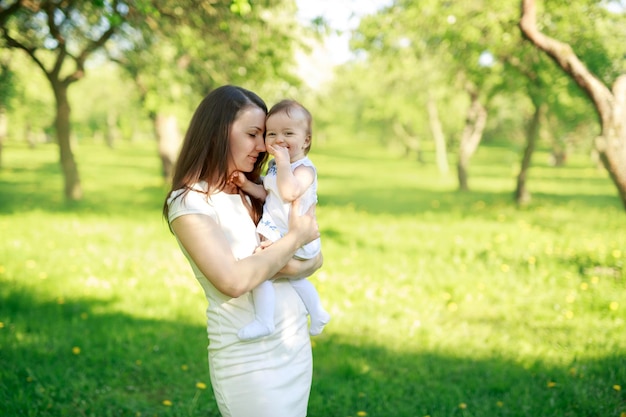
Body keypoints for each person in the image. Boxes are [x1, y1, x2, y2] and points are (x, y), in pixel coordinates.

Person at [163, 85, 323, 417]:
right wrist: (293, 240)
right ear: (219, 132)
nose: (266, 146)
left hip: (292, 344)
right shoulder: (190, 201)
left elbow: (314, 260)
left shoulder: (254, 190)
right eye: (253, 134)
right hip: (247, 356)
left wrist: (277, 260)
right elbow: (234, 281)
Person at [232, 99, 330, 341]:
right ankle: (318, 313)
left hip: (296, 236)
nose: (279, 139)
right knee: (295, 278)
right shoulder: (276, 166)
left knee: (261, 272)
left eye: (288, 133)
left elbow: (289, 192)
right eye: (272, 133)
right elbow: (271, 195)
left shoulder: (304, 169)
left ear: (306, 140)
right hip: (280, 232)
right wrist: (247, 185)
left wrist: (284, 162)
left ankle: (265, 321)